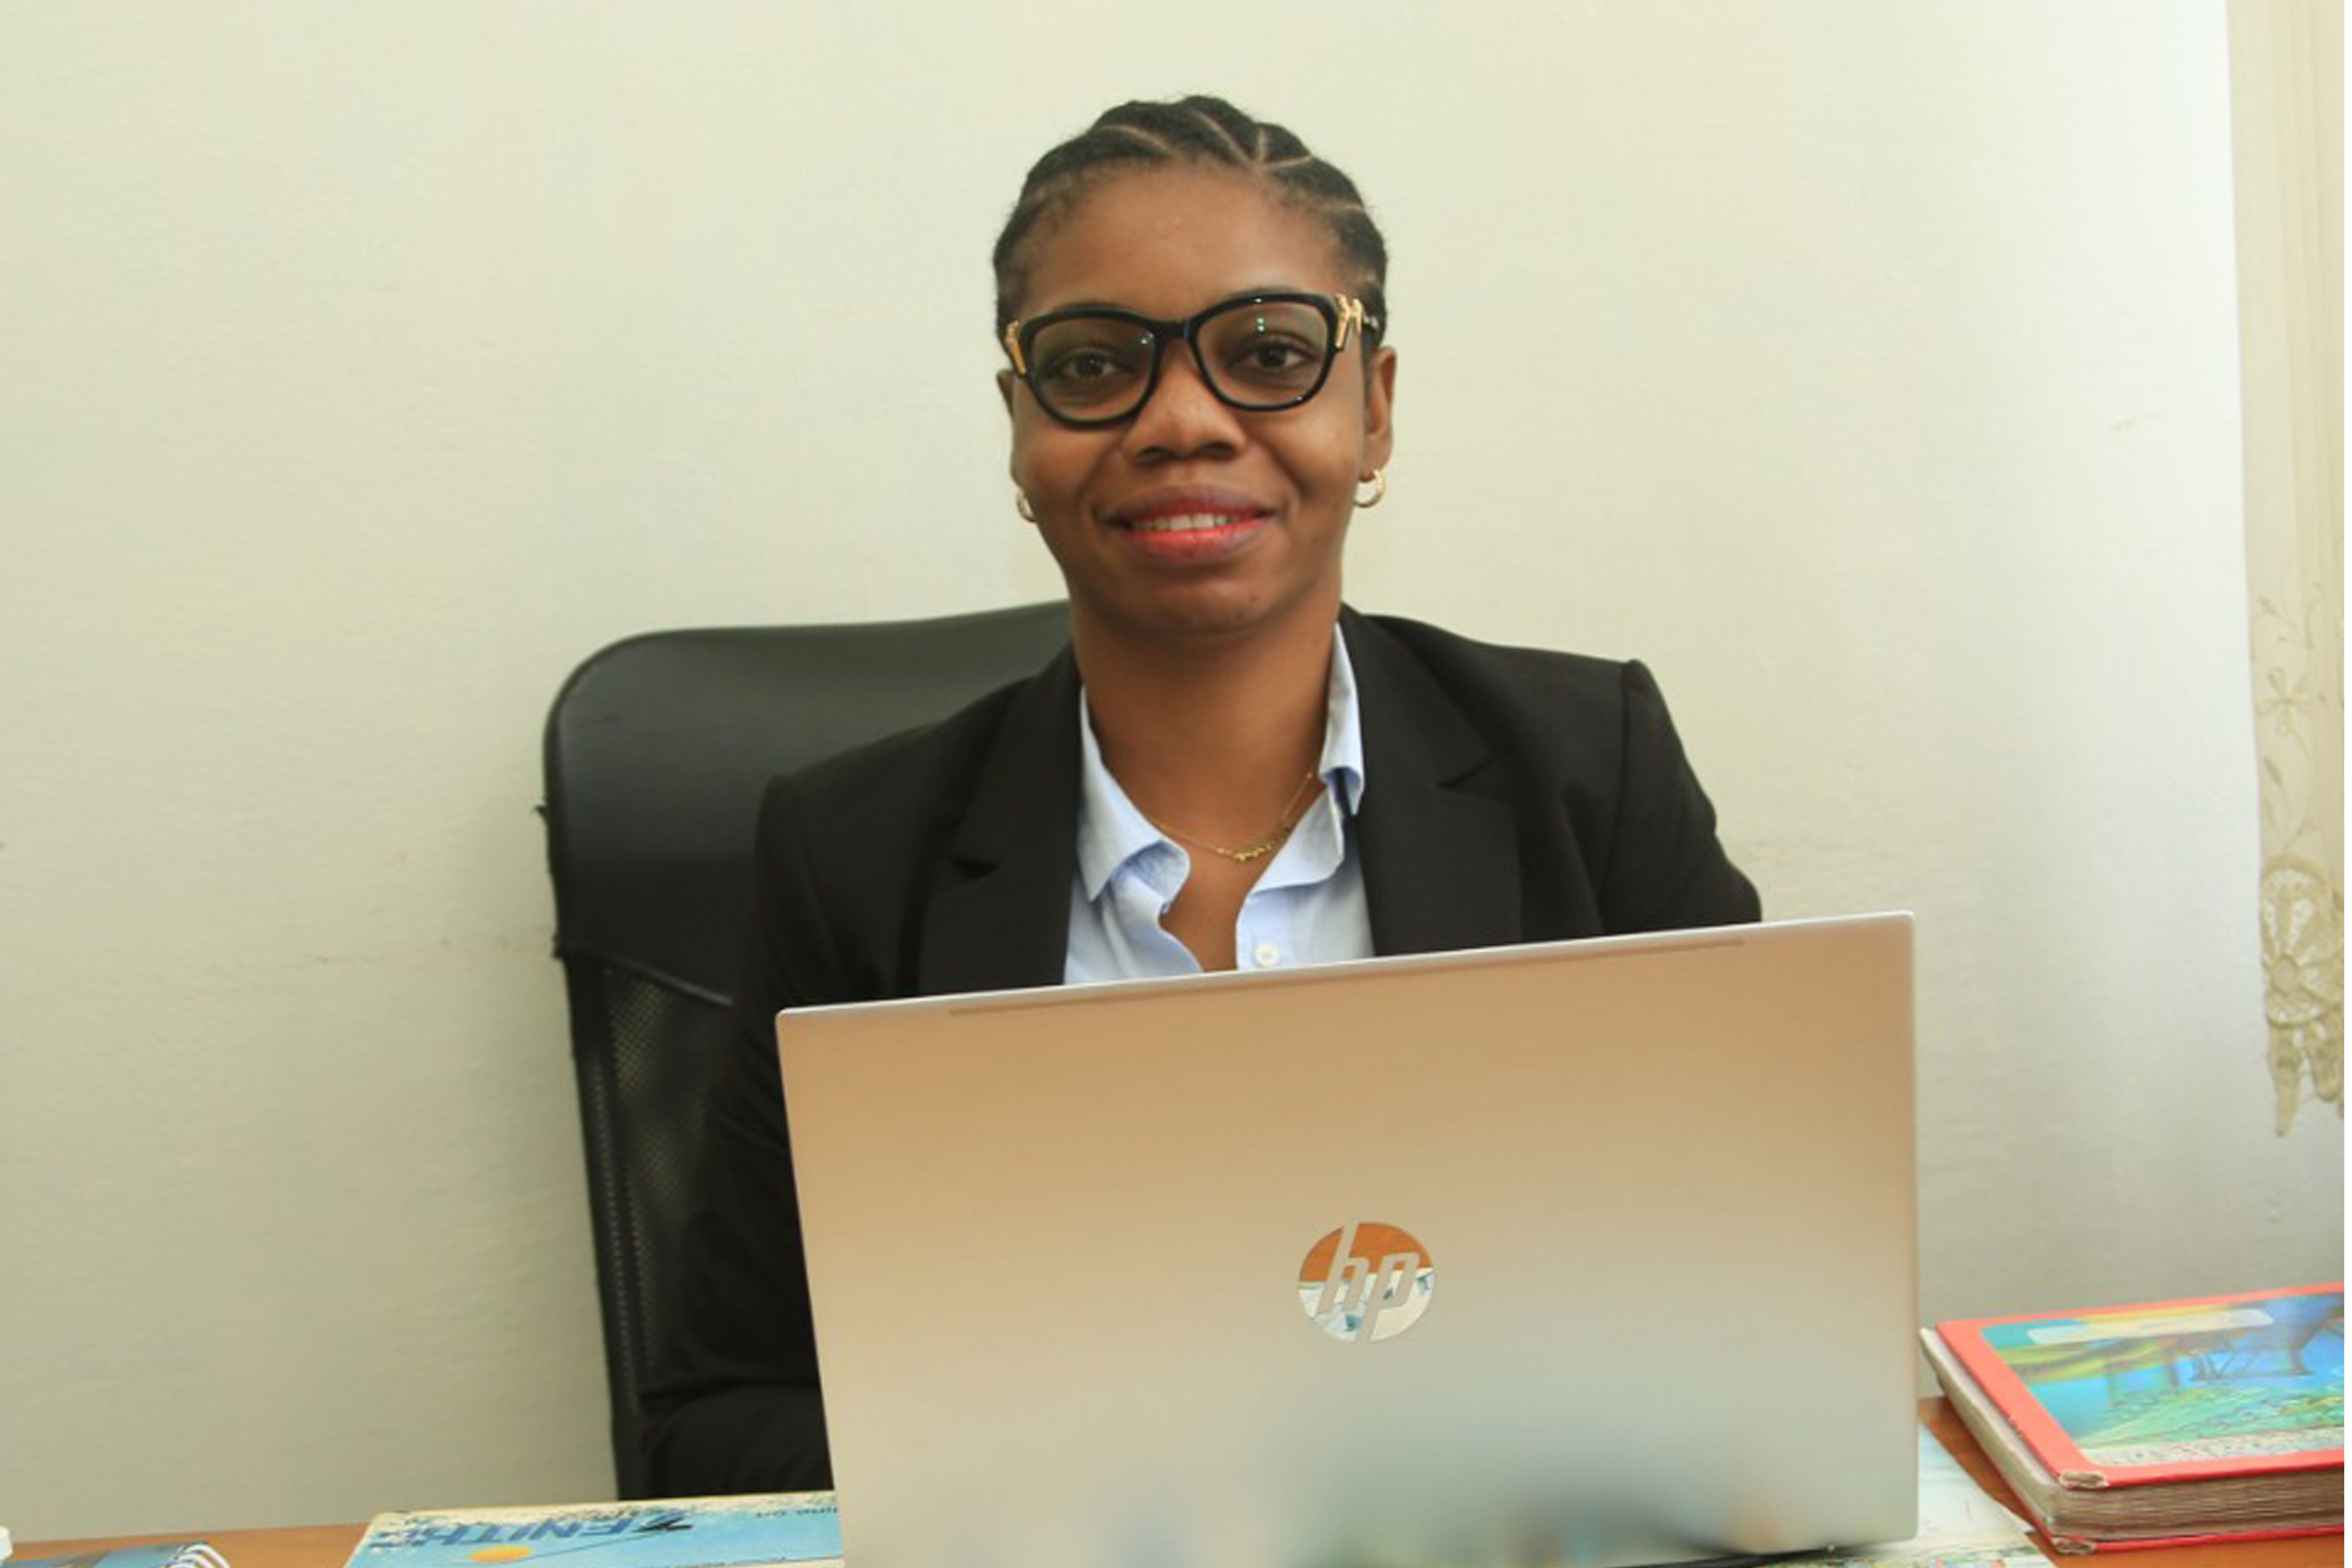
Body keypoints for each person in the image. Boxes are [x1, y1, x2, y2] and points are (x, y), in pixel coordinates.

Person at [637, 94, 1760, 1494]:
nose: (1182, 420)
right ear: (1020, 425)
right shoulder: (851, 856)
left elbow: (1766, 1297)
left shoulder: (1594, 771)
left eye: (1270, 354)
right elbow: (715, 1424)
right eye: (1092, 364)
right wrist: (1119, 1469)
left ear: (1376, 409)